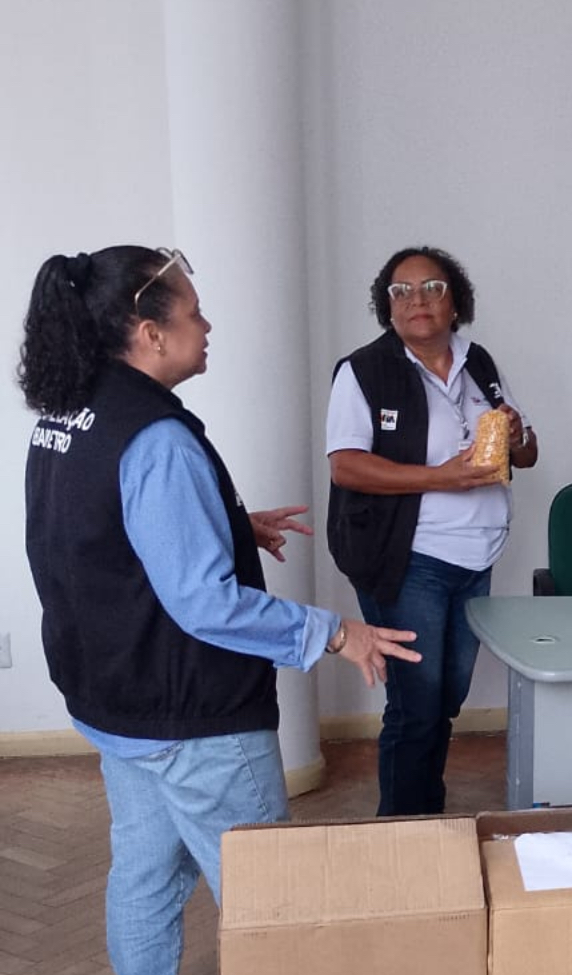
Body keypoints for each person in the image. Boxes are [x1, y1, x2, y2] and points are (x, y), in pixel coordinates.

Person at [19, 245, 420, 975]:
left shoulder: (68, 414)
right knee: (273, 902)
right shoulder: (156, 439)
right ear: (151, 332)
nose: (207, 327)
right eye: (194, 313)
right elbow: (205, 603)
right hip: (194, 718)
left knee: (144, 878)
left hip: (118, 703)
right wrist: (335, 631)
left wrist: (230, 525)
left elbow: (98, 537)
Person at [326, 245, 537, 816]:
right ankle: (403, 829)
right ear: (387, 306)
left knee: (446, 699)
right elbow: (346, 466)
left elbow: (527, 453)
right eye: (401, 291)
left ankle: (427, 811)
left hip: (477, 557)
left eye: (432, 288)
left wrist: (516, 435)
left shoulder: (479, 362)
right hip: (409, 559)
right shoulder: (363, 371)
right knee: (416, 704)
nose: (416, 299)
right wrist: (440, 478)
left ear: (455, 301)